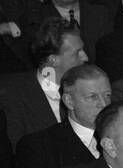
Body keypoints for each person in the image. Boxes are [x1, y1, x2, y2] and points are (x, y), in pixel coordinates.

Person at [11, 63, 109, 168]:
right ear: (69, 101)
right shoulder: (40, 145)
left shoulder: (121, 136)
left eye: (107, 96)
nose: (104, 104)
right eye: (93, 97)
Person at [0, 19, 85, 148]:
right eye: (77, 53)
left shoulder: (90, 86)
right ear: (53, 60)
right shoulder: (13, 95)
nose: (85, 58)